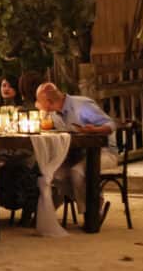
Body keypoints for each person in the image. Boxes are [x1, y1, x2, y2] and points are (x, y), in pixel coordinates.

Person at [35, 83, 117, 215]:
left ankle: (91, 213)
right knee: (54, 173)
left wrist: (94, 130)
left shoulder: (82, 105)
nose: (36, 104)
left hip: (104, 152)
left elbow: (111, 124)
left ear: (49, 102)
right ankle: (92, 199)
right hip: (78, 154)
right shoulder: (55, 114)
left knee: (77, 172)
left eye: (39, 100)